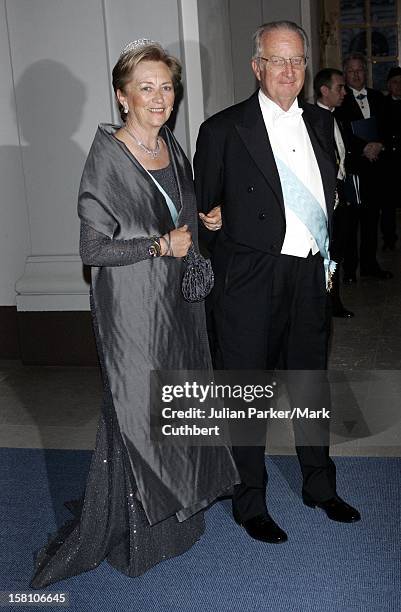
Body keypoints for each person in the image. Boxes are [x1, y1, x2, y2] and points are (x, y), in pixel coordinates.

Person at [30, 39, 238, 588]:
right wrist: (156, 247)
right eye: (145, 87)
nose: (159, 96)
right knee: (140, 408)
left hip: (178, 306)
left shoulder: (171, 144)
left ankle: (178, 517)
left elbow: (180, 210)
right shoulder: (107, 158)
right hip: (133, 308)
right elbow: (93, 250)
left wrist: (203, 221)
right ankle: (133, 529)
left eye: (166, 86)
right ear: (123, 97)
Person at [194, 21, 360, 545]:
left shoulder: (319, 121)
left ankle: (319, 485)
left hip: (309, 276)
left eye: (298, 61)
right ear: (256, 66)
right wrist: (211, 219)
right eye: (278, 60)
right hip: (249, 280)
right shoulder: (223, 129)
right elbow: (203, 214)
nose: (289, 71)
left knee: (311, 384)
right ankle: (250, 501)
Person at [335, 52, 392, 282]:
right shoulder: (340, 100)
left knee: (372, 220)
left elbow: (390, 126)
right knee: (351, 222)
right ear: (345, 75)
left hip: (378, 169)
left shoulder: (379, 97)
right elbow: (342, 132)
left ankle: (370, 265)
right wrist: (364, 147)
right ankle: (350, 270)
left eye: (360, 70)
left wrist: (380, 144)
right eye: (351, 71)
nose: (356, 74)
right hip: (355, 170)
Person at [314, 67, 356, 318]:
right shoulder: (312, 119)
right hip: (325, 195)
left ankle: (333, 300)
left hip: (340, 190)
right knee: (327, 251)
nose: (344, 93)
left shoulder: (335, 117)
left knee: (337, 249)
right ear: (324, 90)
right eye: (340, 88)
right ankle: (329, 302)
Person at [380, 66, 401, 250]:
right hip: (387, 162)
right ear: (388, 85)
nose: (399, 86)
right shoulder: (381, 104)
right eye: (395, 82)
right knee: (387, 204)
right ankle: (388, 239)